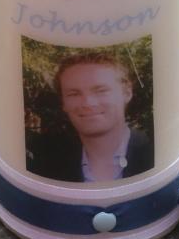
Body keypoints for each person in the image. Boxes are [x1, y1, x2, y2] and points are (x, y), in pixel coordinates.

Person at [27, 52, 153, 182]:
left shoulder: (153, 151)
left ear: (127, 93)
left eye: (101, 91)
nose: (88, 103)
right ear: (63, 103)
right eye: (74, 94)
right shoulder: (48, 165)